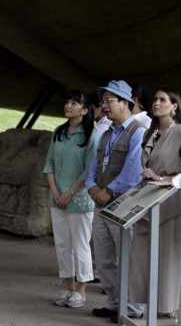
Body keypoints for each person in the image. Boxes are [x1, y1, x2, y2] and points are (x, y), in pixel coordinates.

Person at [85, 80, 146, 322]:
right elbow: (94, 165)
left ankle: (132, 308)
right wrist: (91, 186)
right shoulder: (107, 133)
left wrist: (107, 191)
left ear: (125, 103)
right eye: (103, 102)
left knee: (127, 257)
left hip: (122, 204)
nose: (105, 106)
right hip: (101, 204)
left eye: (109, 101)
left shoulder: (138, 132)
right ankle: (114, 302)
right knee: (104, 257)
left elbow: (132, 171)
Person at [129, 86, 181, 322]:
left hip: (172, 204)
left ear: (175, 106)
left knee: (167, 258)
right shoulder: (150, 132)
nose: (157, 103)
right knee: (142, 254)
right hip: (147, 202)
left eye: (163, 100)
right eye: (156, 100)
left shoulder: (180, 132)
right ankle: (147, 303)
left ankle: (168, 307)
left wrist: (166, 179)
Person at [42, 90, 98, 308]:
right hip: (57, 198)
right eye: (67, 101)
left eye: (75, 103)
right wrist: (55, 191)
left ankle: (81, 292)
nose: (69, 105)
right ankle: (69, 289)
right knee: (63, 245)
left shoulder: (91, 135)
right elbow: (49, 165)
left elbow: (89, 171)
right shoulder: (58, 132)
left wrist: (68, 193)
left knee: (81, 245)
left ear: (84, 111)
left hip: (80, 199)